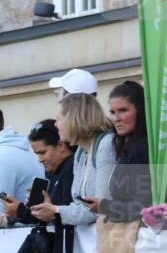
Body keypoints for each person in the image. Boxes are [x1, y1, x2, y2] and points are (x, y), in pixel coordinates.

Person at [29, 93, 114, 226]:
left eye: (59, 119)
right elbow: (81, 204)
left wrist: (56, 211)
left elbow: (99, 207)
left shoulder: (106, 145)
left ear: (74, 119)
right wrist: (52, 209)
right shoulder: (81, 151)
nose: (56, 125)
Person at [84, 80, 153, 222]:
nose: (116, 119)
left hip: (146, 238)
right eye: (112, 112)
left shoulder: (142, 147)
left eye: (123, 110)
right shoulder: (128, 146)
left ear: (140, 110)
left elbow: (144, 207)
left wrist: (104, 206)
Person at [1, 120, 74, 226]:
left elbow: (66, 215)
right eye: (37, 154)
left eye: (43, 153)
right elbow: (46, 216)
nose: (39, 160)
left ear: (61, 146)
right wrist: (25, 210)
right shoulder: (52, 169)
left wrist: (21, 211)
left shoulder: (72, 168)